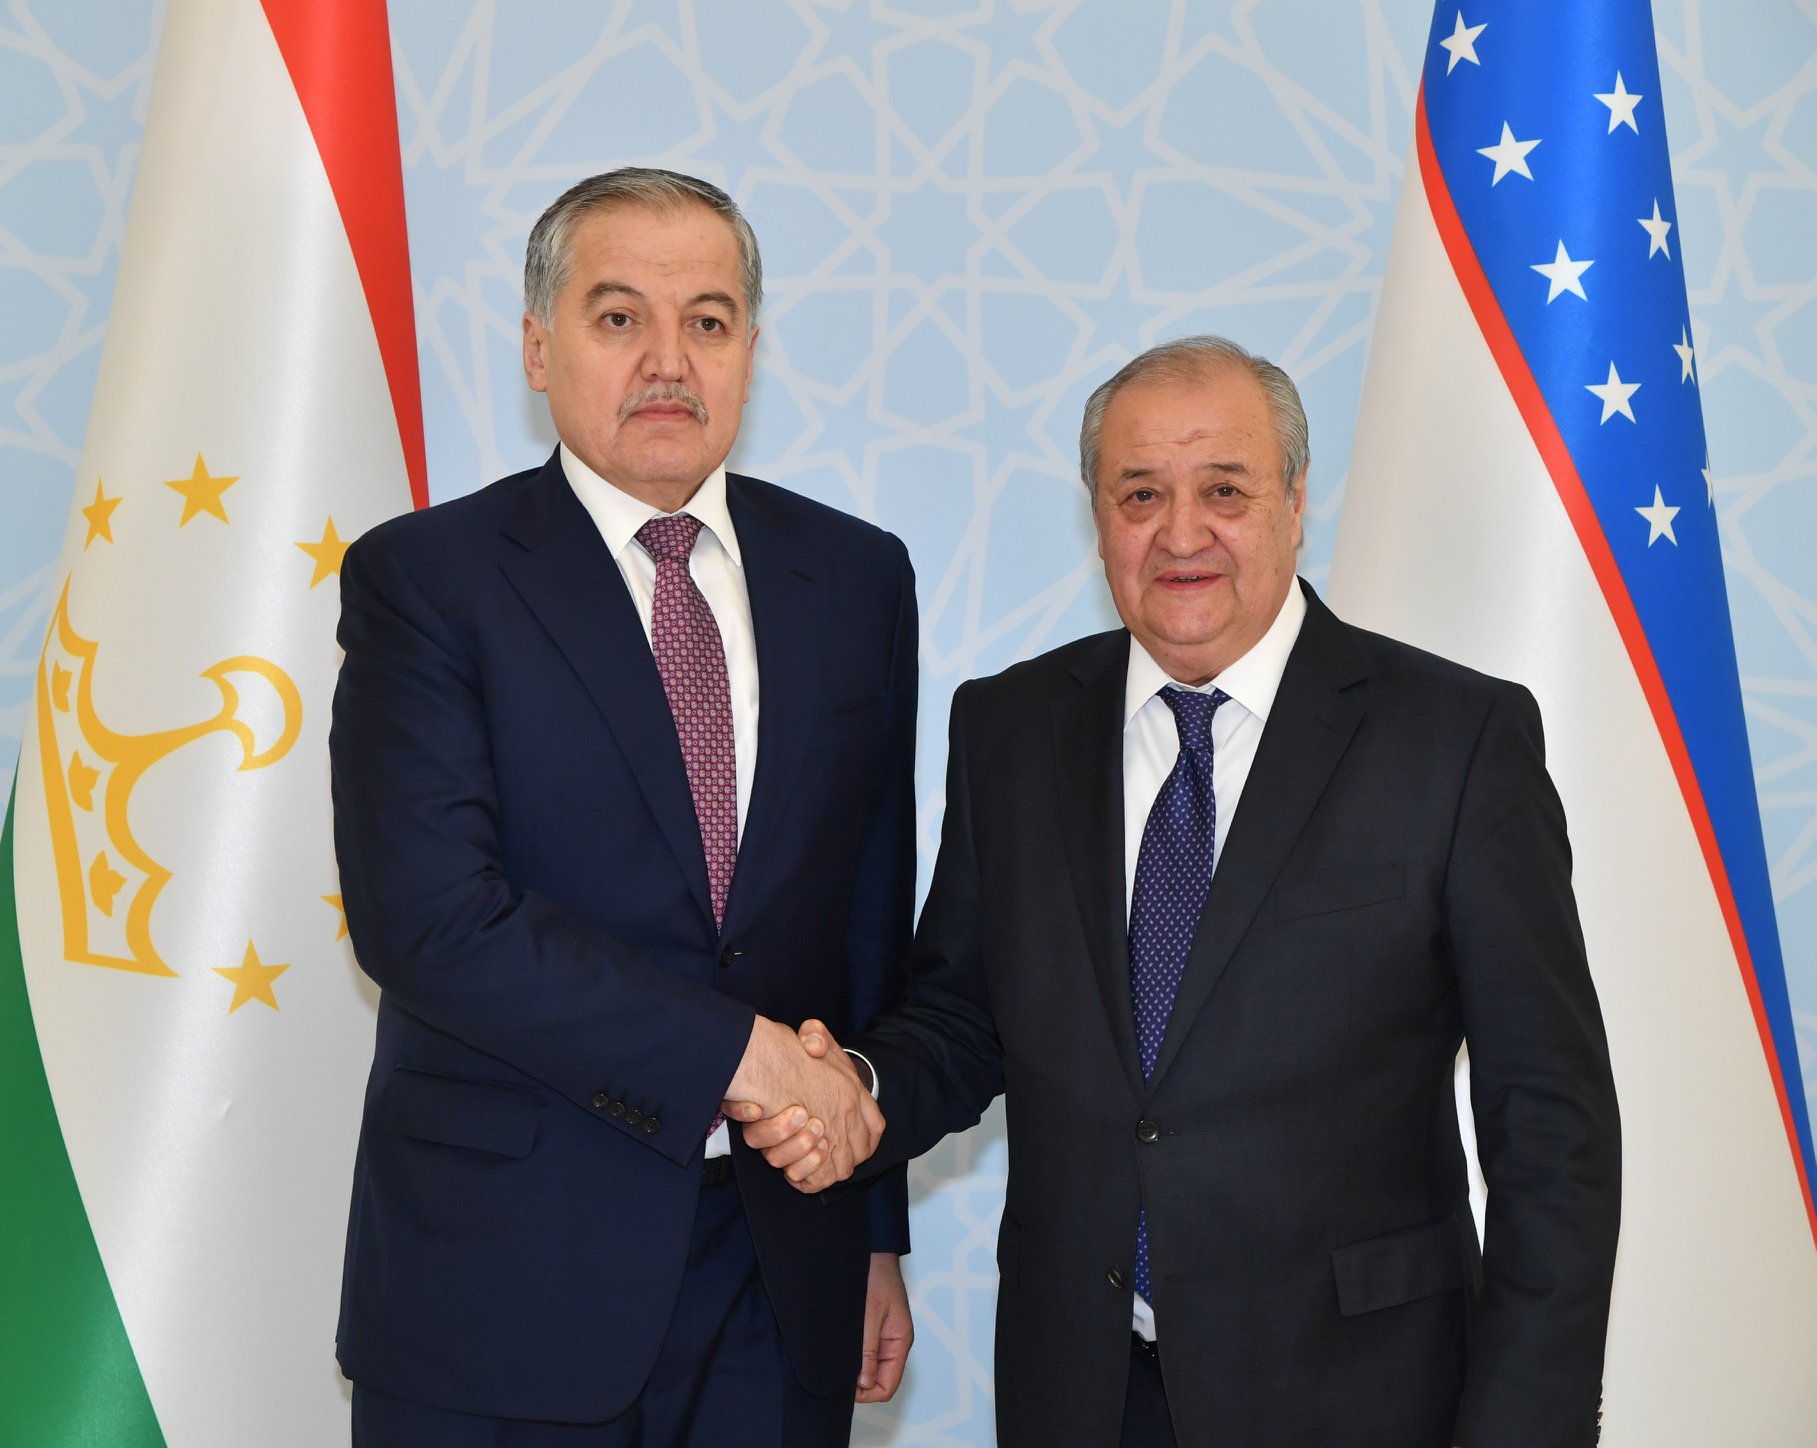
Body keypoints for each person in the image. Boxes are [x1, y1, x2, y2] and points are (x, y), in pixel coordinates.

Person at [743, 336, 1622, 1447]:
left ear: (1294, 502)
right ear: (1098, 519)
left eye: (1224, 490)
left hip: (1361, 1397)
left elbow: (1551, 1126)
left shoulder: (1454, 740)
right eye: (1140, 494)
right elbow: (964, 1016)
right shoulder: (1007, 727)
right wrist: (854, 1087)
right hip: (1083, 1394)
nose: (1180, 533)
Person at [329, 167, 917, 1446]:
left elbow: (864, 920)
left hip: (781, 1275)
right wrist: (738, 1052)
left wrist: (872, 1223)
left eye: (707, 320)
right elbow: (430, 918)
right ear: (538, 349)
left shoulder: (856, 577)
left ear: (750, 351)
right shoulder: (426, 580)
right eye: (617, 317)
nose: (668, 360)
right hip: (505, 1280)